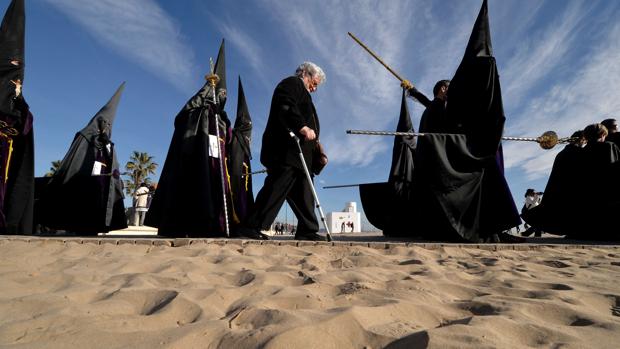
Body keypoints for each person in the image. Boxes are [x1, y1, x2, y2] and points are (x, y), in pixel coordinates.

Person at [144, 40, 233, 238]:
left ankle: (213, 225)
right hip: (194, 155)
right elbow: (183, 119)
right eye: (221, 93)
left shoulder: (221, 115)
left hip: (215, 157)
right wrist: (207, 113)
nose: (223, 97)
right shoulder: (197, 109)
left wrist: (223, 121)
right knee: (194, 184)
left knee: (213, 188)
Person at [239, 62, 326, 241]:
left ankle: (307, 230)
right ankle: (252, 225)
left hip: (301, 155)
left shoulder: (304, 94)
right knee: (277, 186)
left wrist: (318, 150)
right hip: (287, 150)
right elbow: (285, 103)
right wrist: (302, 126)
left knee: (304, 193)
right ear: (304, 73)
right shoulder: (292, 83)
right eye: (314, 83)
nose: (315, 88)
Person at [38, 84, 127, 234]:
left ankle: (97, 227)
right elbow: (78, 159)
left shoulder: (109, 144)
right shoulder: (84, 136)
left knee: (99, 203)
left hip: (102, 182)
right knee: (80, 201)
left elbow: (113, 163)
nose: (107, 127)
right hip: (84, 179)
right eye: (105, 123)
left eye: (109, 125)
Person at [0, 0, 34, 235]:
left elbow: (24, 128)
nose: (17, 82)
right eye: (13, 67)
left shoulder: (17, 102)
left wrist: (20, 103)